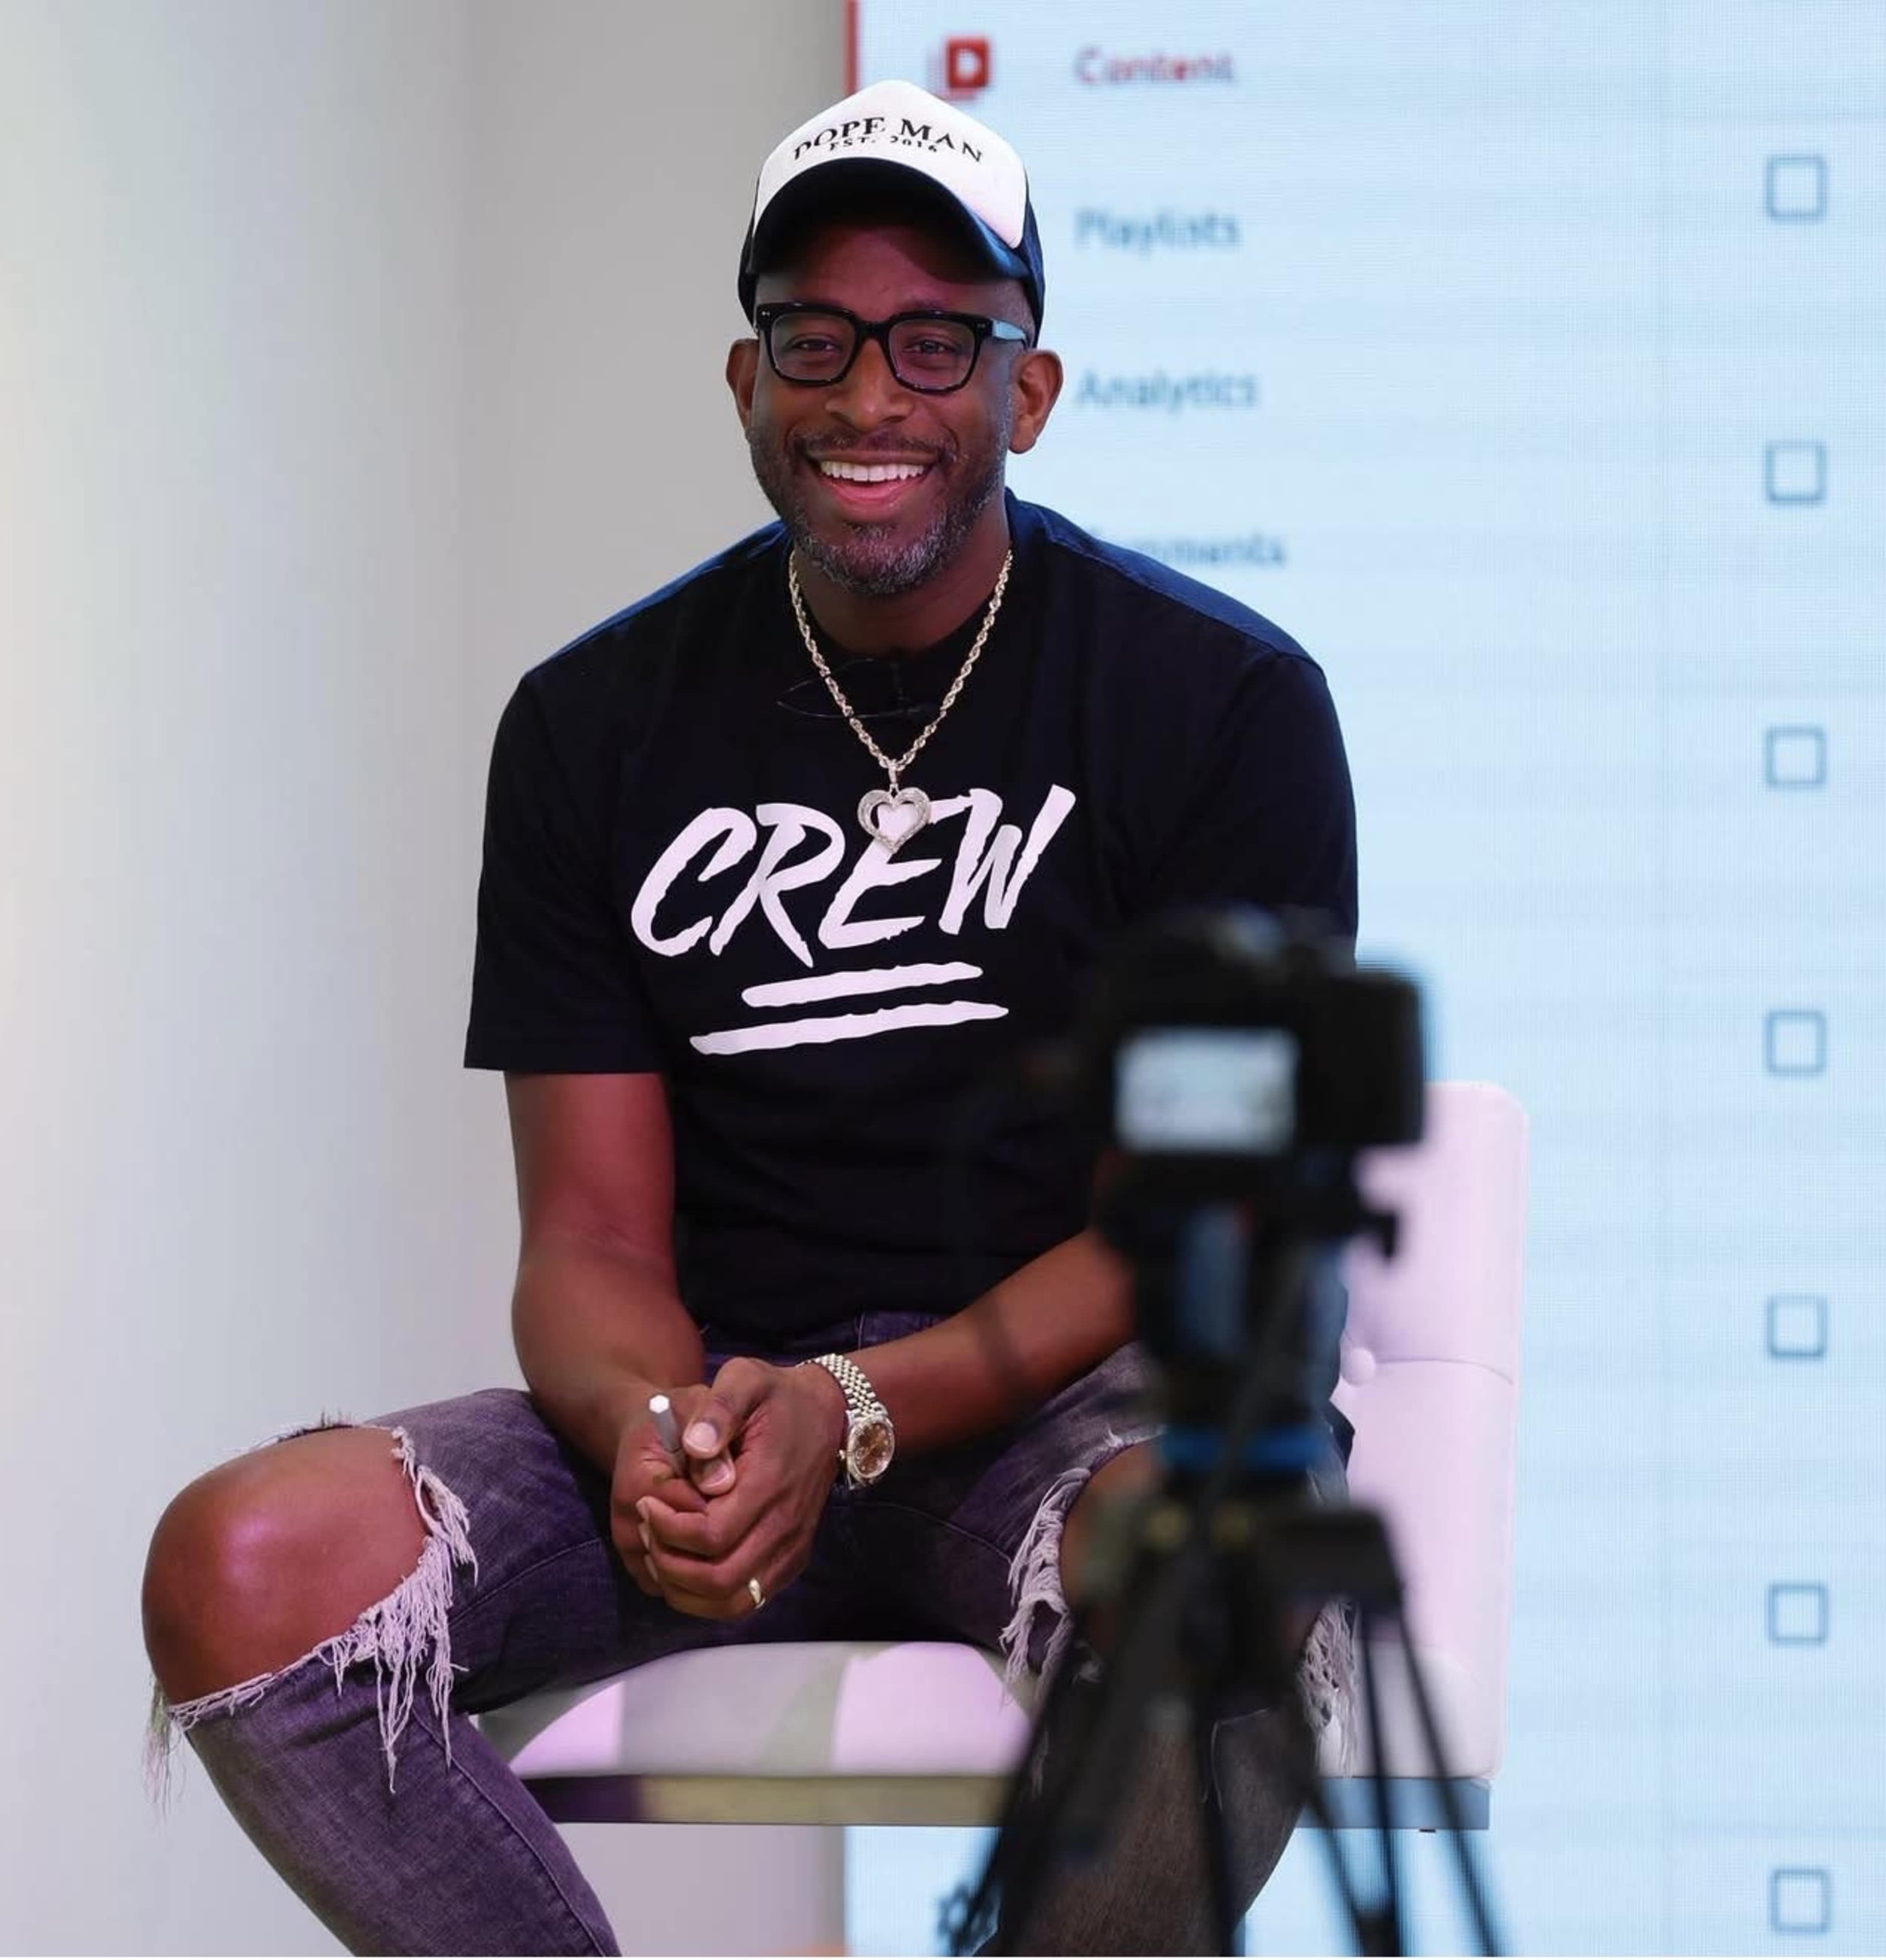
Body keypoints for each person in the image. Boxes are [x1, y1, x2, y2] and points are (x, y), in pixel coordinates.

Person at [139, 78, 1358, 1955]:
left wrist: (863, 1409)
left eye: (939, 340)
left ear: (1029, 391)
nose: (871, 394)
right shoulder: (591, 724)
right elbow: (593, 1239)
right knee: (241, 1566)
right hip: (719, 1402)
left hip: (1062, 1411)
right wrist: (658, 1437)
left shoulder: (1220, 706)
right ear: (745, 380)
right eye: (817, 335)